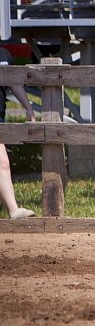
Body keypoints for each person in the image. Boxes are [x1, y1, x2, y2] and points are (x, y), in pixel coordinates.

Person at [0, 47, 36, 219]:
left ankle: (14, 211)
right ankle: (13, 210)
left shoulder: (3, 54)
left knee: (2, 164)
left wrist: (28, 107)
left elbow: (14, 82)